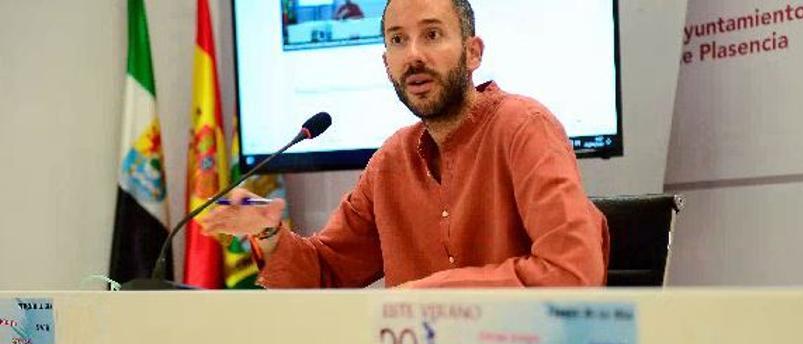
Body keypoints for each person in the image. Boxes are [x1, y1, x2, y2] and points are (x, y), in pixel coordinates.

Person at [201, 0, 609, 288]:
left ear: (473, 52)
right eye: (398, 40)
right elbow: (325, 274)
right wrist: (269, 231)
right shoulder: (391, 161)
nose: (413, 56)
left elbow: (572, 271)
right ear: (386, 64)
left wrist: (429, 295)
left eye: (431, 35)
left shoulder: (525, 128)